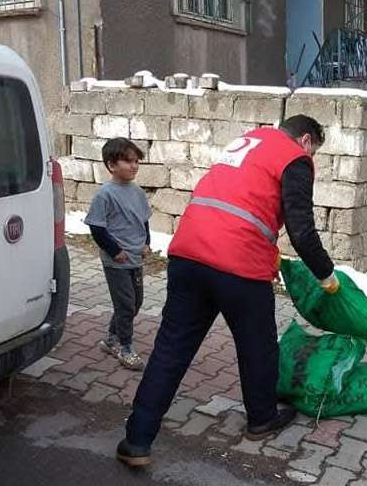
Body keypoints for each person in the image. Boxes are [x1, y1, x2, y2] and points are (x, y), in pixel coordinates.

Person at [116, 115, 341, 467]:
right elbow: (301, 230)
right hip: (239, 263)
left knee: (170, 349)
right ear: (307, 139)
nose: (312, 156)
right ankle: (262, 419)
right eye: (314, 150)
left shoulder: (248, 142)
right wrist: (326, 276)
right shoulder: (294, 157)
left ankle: (136, 440)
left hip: (188, 252)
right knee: (258, 347)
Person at [86, 137, 152, 371]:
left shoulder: (138, 192)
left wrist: (146, 243)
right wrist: (115, 252)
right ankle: (125, 347)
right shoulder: (105, 195)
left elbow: (143, 221)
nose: (134, 166)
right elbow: (97, 227)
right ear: (112, 165)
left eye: (136, 161)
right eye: (128, 161)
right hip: (117, 261)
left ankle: (111, 338)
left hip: (135, 257)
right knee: (125, 304)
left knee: (136, 302)